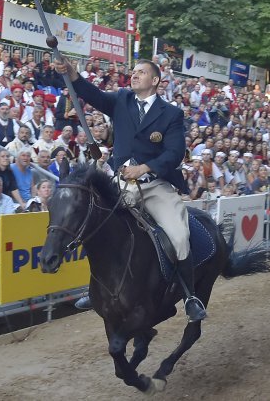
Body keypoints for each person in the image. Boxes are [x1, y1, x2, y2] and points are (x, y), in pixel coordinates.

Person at [55, 57, 206, 322]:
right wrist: (74, 76)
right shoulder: (121, 100)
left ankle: (190, 295)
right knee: (98, 226)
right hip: (121, 185)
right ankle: (98, 289)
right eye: (133, 72)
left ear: (155, 80)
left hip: (155, 186)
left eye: (141, 72)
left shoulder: (171, 114)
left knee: (180, 236)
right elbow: (95, 96)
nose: (134, 75)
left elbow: (175, 153)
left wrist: (145, 168)